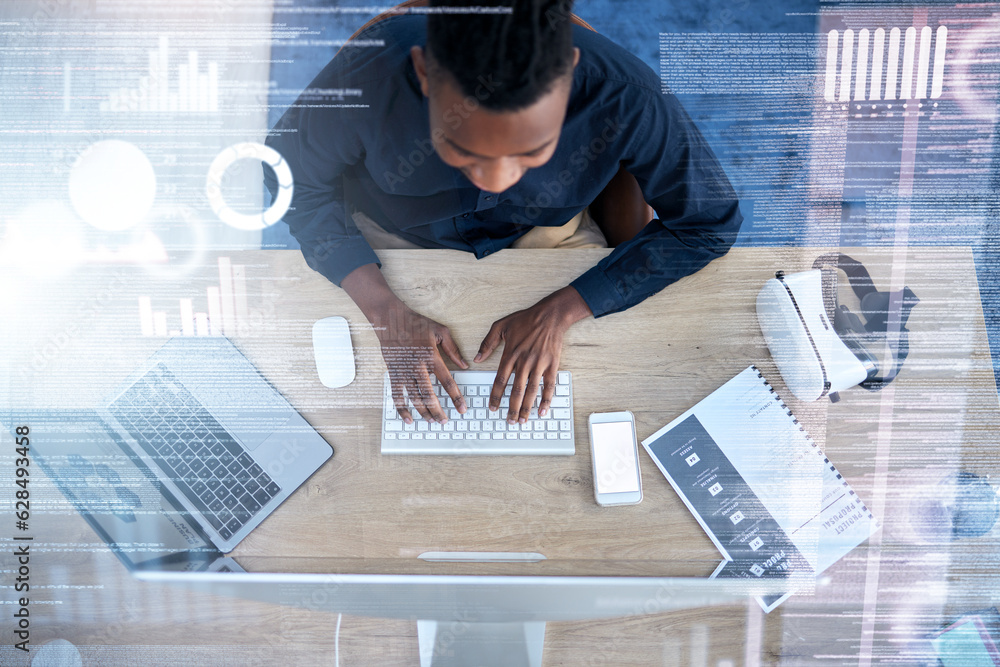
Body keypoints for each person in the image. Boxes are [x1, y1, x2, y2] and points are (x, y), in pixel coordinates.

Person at [264, 0, 742, 429]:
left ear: (568, 72)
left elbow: (707, 224)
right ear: (424, 71)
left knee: (606, 392)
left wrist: (564, 310)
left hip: (546, 231)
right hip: (395, 234)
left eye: (530, 152)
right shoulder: (368, 74)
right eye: (462, 150)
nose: (494, 182)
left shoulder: (627, 94)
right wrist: (384, 311)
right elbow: (288, 182)